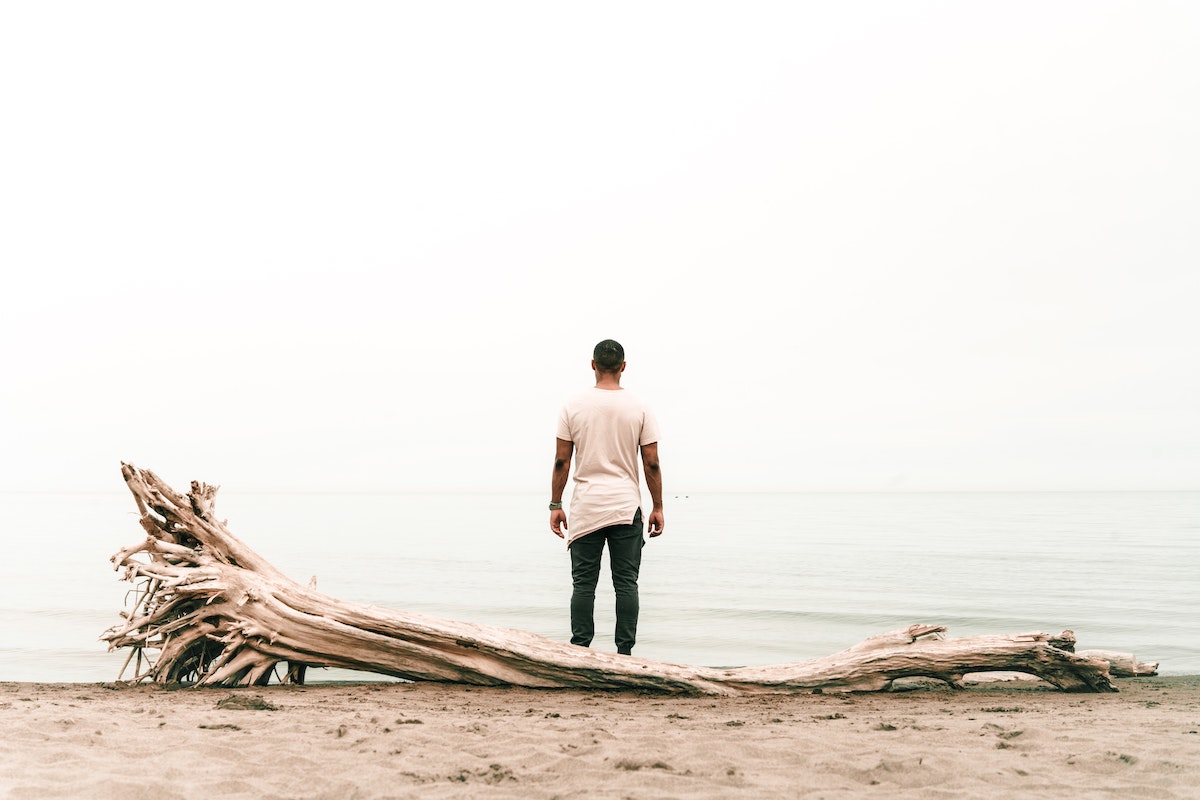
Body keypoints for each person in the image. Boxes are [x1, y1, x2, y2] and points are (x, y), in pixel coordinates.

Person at [550, 339, 664, 656]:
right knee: (626, 584)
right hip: (626, 508)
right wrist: (658, 506)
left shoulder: (572, 406)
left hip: (586, 507)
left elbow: (562, 460)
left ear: (593, 365)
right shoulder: (640, 407)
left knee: (583, 585)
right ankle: (624, 654)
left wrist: (555, 504)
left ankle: (579, 650)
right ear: (623, 367)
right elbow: (651, 461)